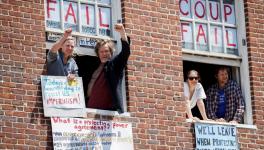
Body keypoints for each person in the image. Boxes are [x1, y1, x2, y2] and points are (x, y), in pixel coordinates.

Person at [86, 23, 130, 113]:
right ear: (98, 54)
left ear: (111, 52)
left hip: (107, 113)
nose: (104, 54)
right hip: (90, 110)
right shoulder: (96, 69)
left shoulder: (114, 64)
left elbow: (125, 52)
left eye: (106, 51)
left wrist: (122, 32)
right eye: (101, 52)